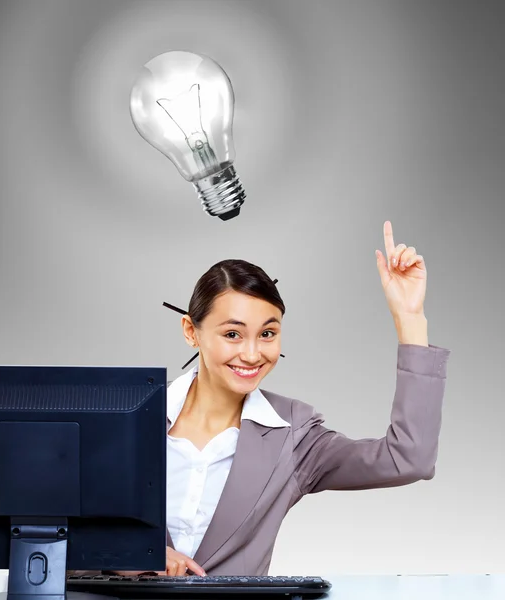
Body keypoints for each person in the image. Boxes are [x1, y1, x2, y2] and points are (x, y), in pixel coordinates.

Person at [77, 220, 451, 577]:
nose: (253, 354)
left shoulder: (295, 438)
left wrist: (410, 317)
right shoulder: (122, 419)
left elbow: (408, 459)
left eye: (268, 333)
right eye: (233, 335)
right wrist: (128, 553)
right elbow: (46, 537)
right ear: (191, 331)